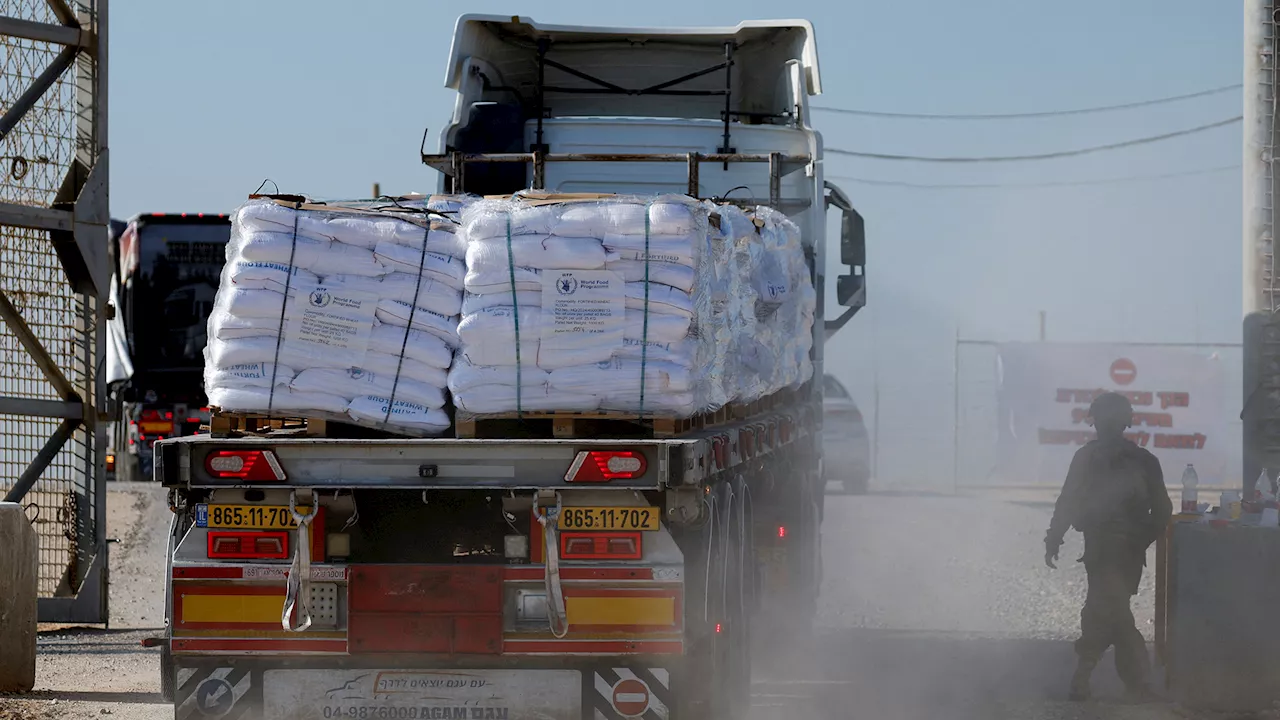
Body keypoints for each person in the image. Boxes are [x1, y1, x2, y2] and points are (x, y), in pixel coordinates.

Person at [1044, 391, 1172, 702]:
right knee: (1111, 611)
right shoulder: (1143, 461)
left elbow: (1068, 501)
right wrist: (1141, 540)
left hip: (1107, 551)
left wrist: (1055, 536)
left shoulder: (1090, 458)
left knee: (1107, 611)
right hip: (1118, 553)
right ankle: (1131, 682)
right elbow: (1163, 511)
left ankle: (1093, 677)